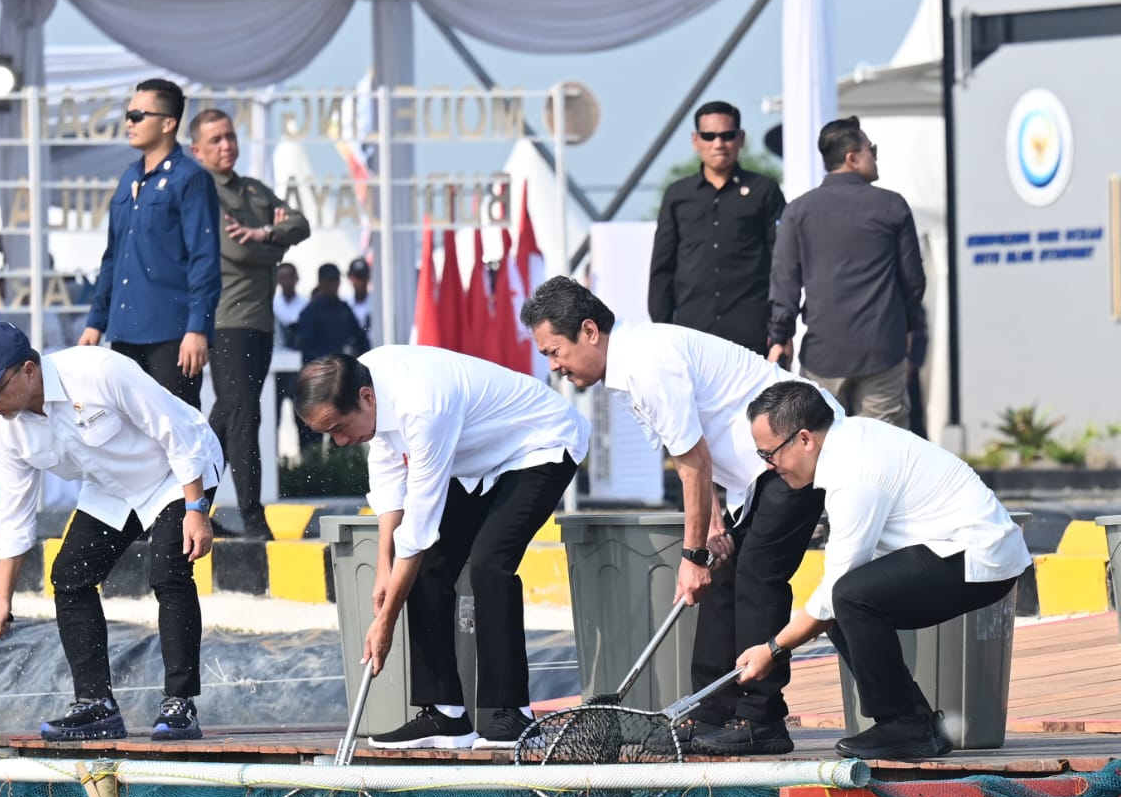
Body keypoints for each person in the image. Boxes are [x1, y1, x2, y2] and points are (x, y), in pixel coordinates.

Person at [521, 275, 838, 756]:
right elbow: (695, 447)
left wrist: (690, 555)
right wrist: (711, 531)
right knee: (724, 571)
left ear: (589, 331)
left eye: (554, 350)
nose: (553, 365)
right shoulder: (628, 369)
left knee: (758, 575)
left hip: (798, 447)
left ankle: (761, 719)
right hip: (756, 469)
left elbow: (693, 462)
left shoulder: (646, 363)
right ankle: (710, 711)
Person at [295, 348, 589, 749]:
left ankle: (512, 713)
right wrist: (383, 566)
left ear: (365, 398)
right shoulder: (364, 381)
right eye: (329, 434)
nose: (342, 441)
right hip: (477, 459)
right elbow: (388, 481)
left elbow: (418, 526)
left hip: (539, 443)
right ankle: (445, 713)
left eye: (339, 427)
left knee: (488, 563)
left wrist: (386, 623)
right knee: (427, 566)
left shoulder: (422, 404)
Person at [733, 381, 1030, 761]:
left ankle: (903, 725)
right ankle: (917, 724)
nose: (768, 466)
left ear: (804, 439)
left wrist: (772, 649)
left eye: (769, 453)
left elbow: (834, 590)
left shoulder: (854, 471)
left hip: (979, 554)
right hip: (964, 548)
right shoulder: (849, 442)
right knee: (844, 601)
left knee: (848, 596)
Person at [0, 320, 223, 743]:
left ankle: (180, 703)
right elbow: (14, 515)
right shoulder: (9, 426)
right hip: (112, 486)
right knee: (69, 576)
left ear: (29, 369)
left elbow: (174, 433)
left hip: (175, 472)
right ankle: (95, 705)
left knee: (168, 570)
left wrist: (195, 509)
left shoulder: (99, 371)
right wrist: (1, 600)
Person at [189, 107, 311, 539]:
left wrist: (261, 235)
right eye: (216, 140)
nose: (227, 146)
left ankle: (188, 510)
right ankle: (252, 517)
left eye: (230, 136)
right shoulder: (203, 191)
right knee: (243, 417)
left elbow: (301, 224)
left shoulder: (254, 189)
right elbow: (237, 252)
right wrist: (275, 245)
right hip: (227, 321)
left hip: (259, 323)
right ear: (196, 149)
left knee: (225, 418)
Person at [768, 116, 926, 428]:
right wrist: (908, 329)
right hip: (883, 347)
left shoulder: (798, 211)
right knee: (885, 449)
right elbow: (913, 282)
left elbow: (785, 282)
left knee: (823, 449)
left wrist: (779, 336)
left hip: (823, 354)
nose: (876, 156)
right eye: (872, 149)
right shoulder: (892, 206)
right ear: (852, 158)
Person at [80, 78, 221, 411]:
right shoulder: (128, 177)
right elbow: (113, 258)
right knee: (131, 436)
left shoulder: (190, 178)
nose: (129, 122)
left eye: (139, 115)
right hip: (125, 332)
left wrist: (198, 328)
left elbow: (204, 258)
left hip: (171, 333)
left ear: (168, 123)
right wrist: (95, 322)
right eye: (129, 114)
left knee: (178, 434)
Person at [647, 101, 785, 355]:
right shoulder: (678, 195)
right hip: (692, 336)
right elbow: (662, 269)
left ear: (741, 138)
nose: (718, 143)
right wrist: (661, 332)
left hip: (752, 336)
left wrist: (780, 334)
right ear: (695, 140)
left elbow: (781, 264)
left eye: (727, 135)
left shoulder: (764, 191)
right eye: (709, 136)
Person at [298, 264, 370, 366]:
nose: (335, 284)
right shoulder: (311, 311)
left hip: (345, 367)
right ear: (321, 282)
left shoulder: (344, 308)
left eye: (337, 280)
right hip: (322, 369)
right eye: (331, 280)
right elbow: (307, 347)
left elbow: (361, 339)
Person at [345, 256, 374, 346]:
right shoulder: (344, 305)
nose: (361, 281)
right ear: (350, 277)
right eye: (357, 276)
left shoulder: (377, 304)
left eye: (363, 276)